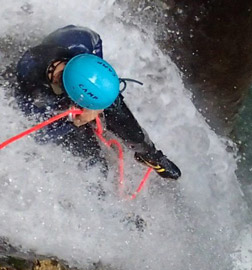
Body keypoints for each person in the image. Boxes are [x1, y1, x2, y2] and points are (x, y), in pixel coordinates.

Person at [13, 25, 181, 180]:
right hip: (57, 98)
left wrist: (98, 102)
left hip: (79, 76)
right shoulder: (32, 86)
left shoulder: (81, 40)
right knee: (95, 166)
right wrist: (73, 122)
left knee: (120, 115)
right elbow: (39, 135)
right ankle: (105, 201)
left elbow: (97, 45)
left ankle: (148, 153)